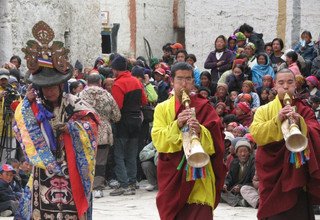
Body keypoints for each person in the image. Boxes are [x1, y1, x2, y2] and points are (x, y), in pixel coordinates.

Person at [14, 21, 99, 219]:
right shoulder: (32, 106)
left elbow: (92, 127)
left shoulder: (75, 104)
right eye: (45, 86)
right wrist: (27, 103)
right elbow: (19, 127)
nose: (50, 90)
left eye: (54, 85)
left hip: (71, 170)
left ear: (62, 85)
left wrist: (71, 128)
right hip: (43, 171)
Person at [151, 62, 225, 219]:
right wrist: (177, 124)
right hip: (173, 173)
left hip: (200, 175)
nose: (184, 84)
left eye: (188, 79)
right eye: (179, 79)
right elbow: (158, 139)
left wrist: (200, 130)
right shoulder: (162, 108)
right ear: (172, 81)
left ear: (193, 81)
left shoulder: (204, 106)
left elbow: (216, 142)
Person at [250, 69, 320, 219]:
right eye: (281, 83)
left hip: (297, 174)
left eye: (290, 82)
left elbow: (315, 131)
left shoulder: (304, 109)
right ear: (274, 86)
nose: (286, 87)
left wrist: (300, 122)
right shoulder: (263, 110)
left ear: (296, 85)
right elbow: (256, 134)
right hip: (273, 176)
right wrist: (277, 120)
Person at [110, 55, 147, 196]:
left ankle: (123, 184)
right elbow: (144, 101)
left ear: (115, 70)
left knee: (119, 154)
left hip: (123, 122)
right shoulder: (136, 82)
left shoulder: (118, 84)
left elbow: (117, 106)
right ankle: (132, 183)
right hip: (137, 120)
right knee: (132, 153)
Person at [79, 73, 121, 198]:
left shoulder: (81, 95)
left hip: (85, 130)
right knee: (101, 161)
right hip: (103, 131)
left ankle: (87, 185)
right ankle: (98, 188)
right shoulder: (107, 95)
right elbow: (117, 115)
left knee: (87, 158)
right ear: (100, 82)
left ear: (87, 82)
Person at [221, 139, 255, 207]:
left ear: (249, 152)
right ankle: (240, 202)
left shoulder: (253, 162)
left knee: (244, 190)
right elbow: (229, 178)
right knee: (220, 190)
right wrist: (225, 184)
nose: (243, 154)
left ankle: (237, 201)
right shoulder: (234, 162)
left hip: (246, 189)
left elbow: (254, 181)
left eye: (245, 151)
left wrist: (240, 187)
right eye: (240, 152)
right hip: (235, 191)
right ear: (236, 153)